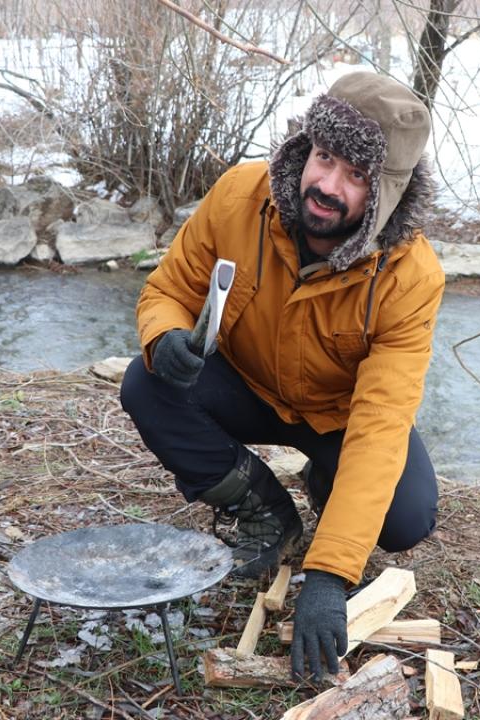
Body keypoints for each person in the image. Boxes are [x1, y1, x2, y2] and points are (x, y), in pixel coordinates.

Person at [120, 71, 444, 681]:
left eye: (356, 176)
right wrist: (164, 337)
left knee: (405, 520)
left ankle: (327, 485)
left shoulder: (411, 276)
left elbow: (380, 426)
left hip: (338, 420)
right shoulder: (242, 195)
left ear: (387, 194)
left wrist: (329, 574)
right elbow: (168, 289)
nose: (326, 185)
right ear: (307, 146)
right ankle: (266, 510)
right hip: (246, 384)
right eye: (325, 158)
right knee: (145, 385)